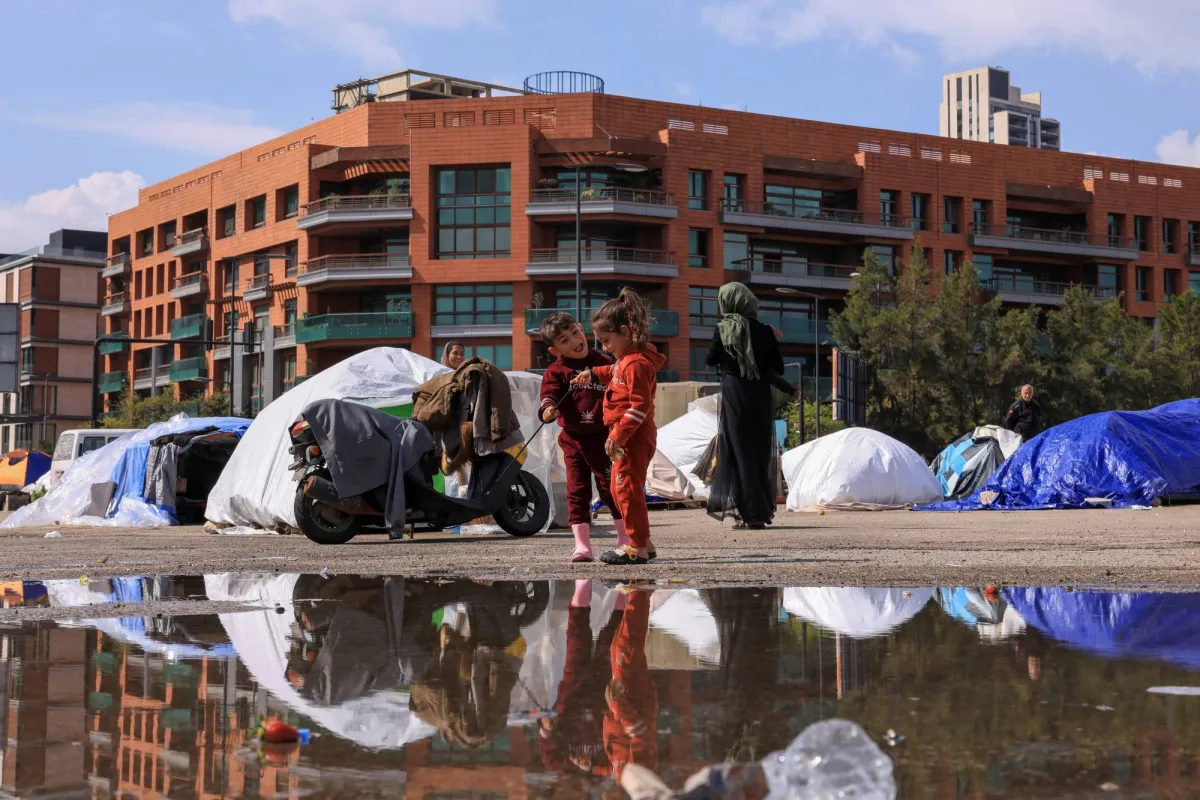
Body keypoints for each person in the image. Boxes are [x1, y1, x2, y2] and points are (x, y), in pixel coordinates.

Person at [571, 288, 666, 565]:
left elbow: (639, 406)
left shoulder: (635, 364)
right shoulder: (625, 361)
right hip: (630, 436)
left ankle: (636, 547)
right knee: (620, 488)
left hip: (631, 436)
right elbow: (612, 371)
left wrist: (618, 435)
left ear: (625, 331)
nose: (603, 348)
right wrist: (591, 373)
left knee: (625, 488)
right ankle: (644, 542)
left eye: (606, 341)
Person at [538, 312, 625, 562]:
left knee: (612, 490)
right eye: (564, 340)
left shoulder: (605, 361)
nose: (575, 340)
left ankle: (624, 538)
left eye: (575, 332)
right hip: (573, 441)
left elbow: (621, 391)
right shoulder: (556, 372)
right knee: (577, 492)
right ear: (555, 350)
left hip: (605, 439)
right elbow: (549, 395)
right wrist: (547, 410)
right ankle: (582, 546)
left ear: (580, 328)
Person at [704, 282, 786, 529]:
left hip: (735, 394)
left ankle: (750, 514)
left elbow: (710, 360)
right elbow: (778, 368)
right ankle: (760, 510)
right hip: (760, 395)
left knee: (740, 454)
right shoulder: (765, 331)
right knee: (760, 451)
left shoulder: (722, 330)